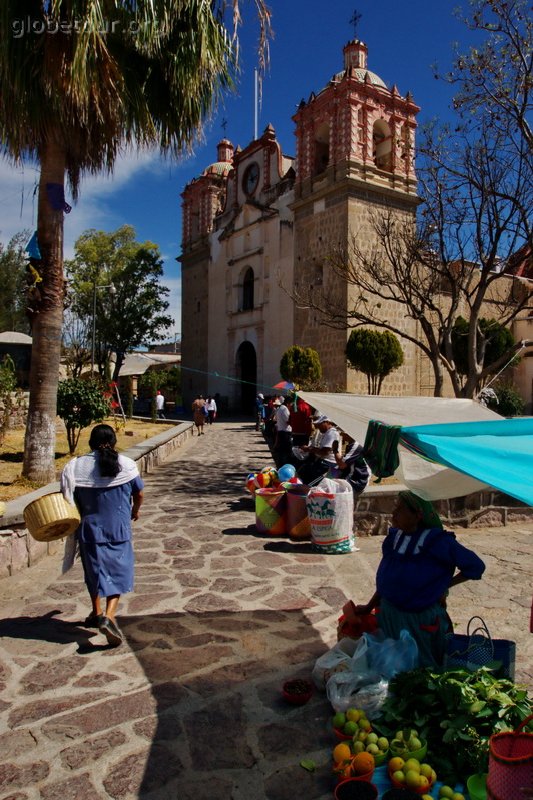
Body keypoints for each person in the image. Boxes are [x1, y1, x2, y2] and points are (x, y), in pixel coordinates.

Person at [353, 491, 486, 668]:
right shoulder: (394, 539)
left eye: (400, 509)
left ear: (418, 515)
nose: (394, 514)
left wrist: (444, 586)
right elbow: (389, 579)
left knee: (419, 670)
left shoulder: (436, 542)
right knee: (391, 666)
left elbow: (475, 566)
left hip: (418, 622)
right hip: (389, 616)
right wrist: (370, 606)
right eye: (395, 508)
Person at [60, 424, 144, 647]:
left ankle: (96, 611)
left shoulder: (76, 467)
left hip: (89, 530)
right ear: (114, 441)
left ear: (91, 442)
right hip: (118, 528)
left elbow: (66, 498)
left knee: (94, 572)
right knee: (118, 571)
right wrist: (135, 511)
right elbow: (139, 492)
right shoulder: (126, 465)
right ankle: (108, 615)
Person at [297, 414, 340, 485]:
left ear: (327, 422)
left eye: (320, 424)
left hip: (328, 464)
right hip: (323, 462)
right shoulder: (327, 433)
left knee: (311, 483)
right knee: (305, 474)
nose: (318, 427)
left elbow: (325, 452)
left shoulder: (332, 433)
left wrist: (309, 449)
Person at [273, 396, 292, 468]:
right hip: (285, 433)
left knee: (281, 452)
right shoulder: (285, 409)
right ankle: (285, 467)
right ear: (288, 403)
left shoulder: (279, 409)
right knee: (286, 452)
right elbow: (288, 421)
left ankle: (280, 466)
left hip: (281, 431)